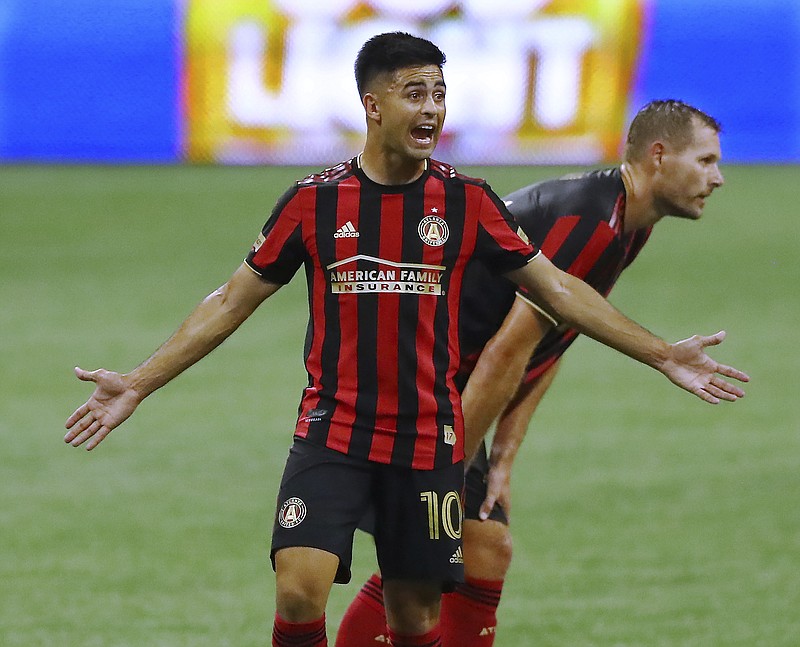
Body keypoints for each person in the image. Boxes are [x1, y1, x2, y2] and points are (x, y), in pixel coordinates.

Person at [64, 31, 747, 647]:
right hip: (335, 429)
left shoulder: (469, 202)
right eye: (414, 92)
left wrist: (659, 354)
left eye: (440, 94)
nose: (431, 109)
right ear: (372, 105)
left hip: (427, 436)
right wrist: (139, 380)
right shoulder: (315, 200)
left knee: (421, 607)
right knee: (300, 589)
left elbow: (556, 301)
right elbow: (231, 300)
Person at [336, 100, 744, 646]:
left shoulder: (624, 223)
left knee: (481, 546)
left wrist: (502, 457)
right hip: (406, 378)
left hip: (435, 378)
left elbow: (550, 343)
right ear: (659, 156)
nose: (717, 178)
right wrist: (449, 466)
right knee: (428, 556)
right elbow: (508, 351)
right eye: (706, 161)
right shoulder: (592, 222)